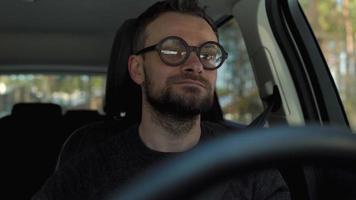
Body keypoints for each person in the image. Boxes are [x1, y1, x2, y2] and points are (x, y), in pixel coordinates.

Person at [33, 0, 290, 199]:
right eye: (172, 50)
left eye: (208, 53)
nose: (195, 65)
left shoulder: (248, 160)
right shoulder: (87, 163)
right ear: (137, 69)